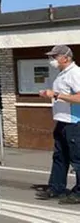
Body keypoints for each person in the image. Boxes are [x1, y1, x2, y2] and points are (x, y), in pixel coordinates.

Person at [36, 45, 80, 204]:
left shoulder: (75, 73)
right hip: (62, 122)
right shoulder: (62, 74)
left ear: (66, 57)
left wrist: (55, 94)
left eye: (55, 57)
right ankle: (56, 188)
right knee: (59, 157)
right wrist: (49, 94)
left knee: (77, 159)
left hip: (75, 123)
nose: (52, 60)